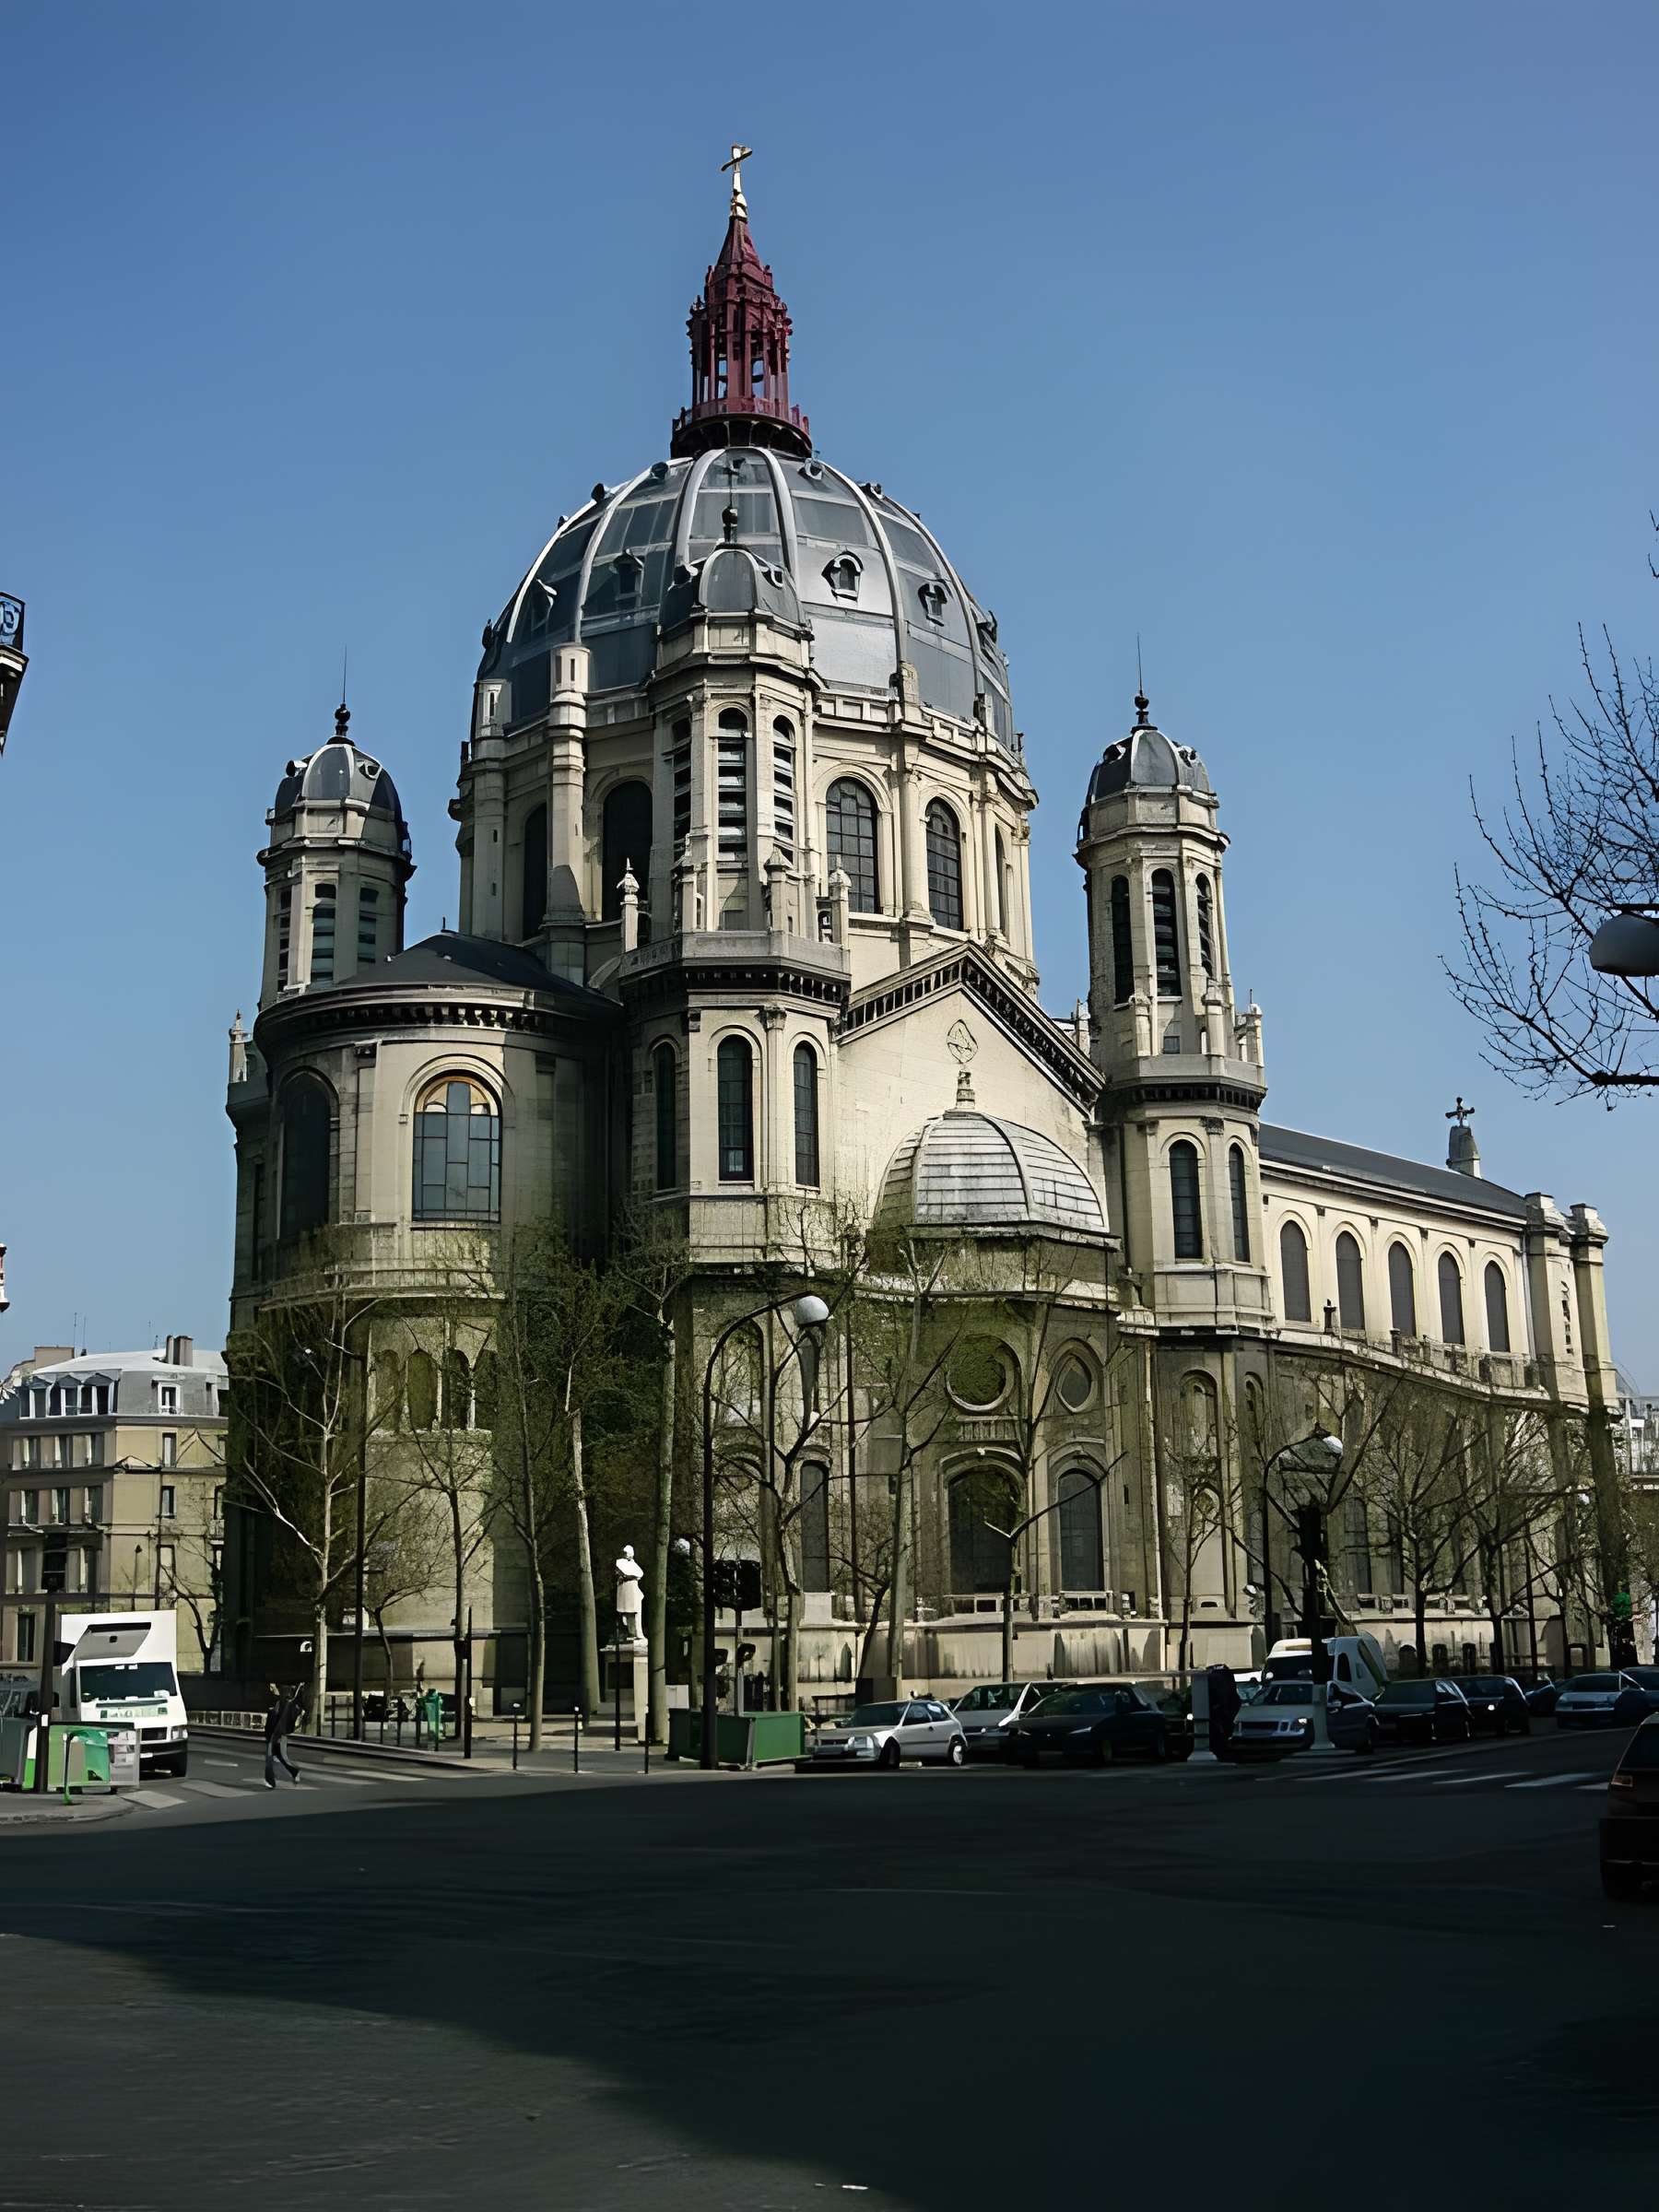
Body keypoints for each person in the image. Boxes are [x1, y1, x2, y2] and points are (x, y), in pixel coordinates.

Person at [264, 1680, 301, 1789]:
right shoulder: (276, 1702)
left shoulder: (286, 1704)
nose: (272, 1689)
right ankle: (271, 1781)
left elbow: (283, 1721)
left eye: (274, 1687)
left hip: (279, 1736)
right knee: (271, 1759)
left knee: (281, 1759)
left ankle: (293, 1772)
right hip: (272, 1735)